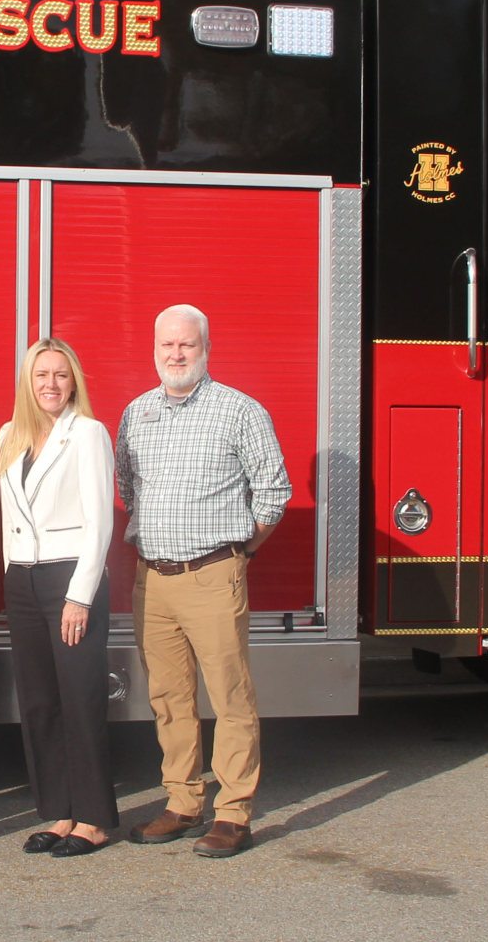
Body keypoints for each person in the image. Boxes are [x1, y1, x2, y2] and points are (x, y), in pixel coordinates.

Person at [117, 304, 291, 859]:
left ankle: (234, 812)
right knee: (168, 697)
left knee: (230, 696)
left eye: (186, 345)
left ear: (205, 349)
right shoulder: (136, 413)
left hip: (214, 574)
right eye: (166, 344)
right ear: (154, 349)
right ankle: (183, 801)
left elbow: (273, 493)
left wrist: (238, 554)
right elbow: (127, 487)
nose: (175, 354)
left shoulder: (240, 411)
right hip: (154, 580)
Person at [0, 337, 118, 858]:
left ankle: (92, 818)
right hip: (22, 580)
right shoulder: (10, 435)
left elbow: (100, 520)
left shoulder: (88, 434)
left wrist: (80, 595)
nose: (50, 384)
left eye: (61, 375)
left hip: (70, 581)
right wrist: (10, 573)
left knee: (80, 698)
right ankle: (60, 812)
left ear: (74, 383)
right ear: (28, 381)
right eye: (41, 374)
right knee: (40, 702)